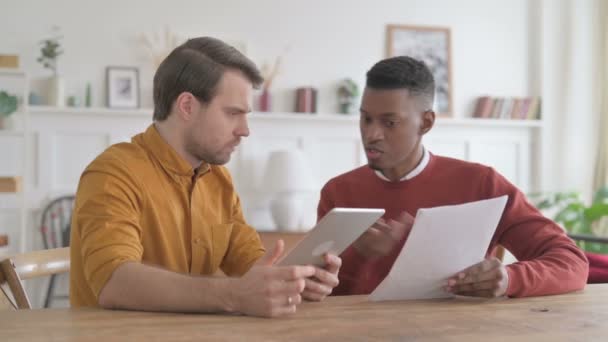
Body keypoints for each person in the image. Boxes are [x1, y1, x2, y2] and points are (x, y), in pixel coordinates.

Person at [70, 37, 341, 317]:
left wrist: (295, 279)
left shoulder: (219, 180)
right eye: (233, 113)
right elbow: (115, 283)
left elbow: (252, 263)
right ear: (187, 106)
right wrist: (235, 295)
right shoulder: (112, 174)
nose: (245, 130)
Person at [317, 56, 588, 298]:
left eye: (389, 122)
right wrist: (360, 257)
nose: (372, 134)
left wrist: (509, 278)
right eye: (366, 119)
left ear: (426, 123)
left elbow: (572, 263)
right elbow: (318, 294)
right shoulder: (338, 192)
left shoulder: (482, 184)